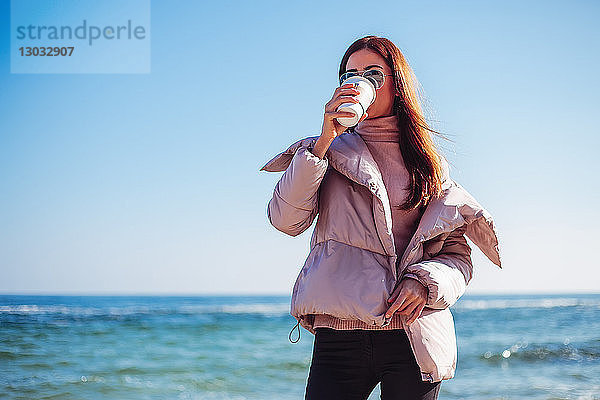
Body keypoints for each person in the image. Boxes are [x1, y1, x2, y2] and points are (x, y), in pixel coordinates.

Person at [260, 35, 502, 400]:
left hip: (414, 334)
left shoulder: (431, 165)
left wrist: (424, 282)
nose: (359, 82)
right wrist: (324, 142)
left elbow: (456, 256)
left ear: (396, 82)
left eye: (373, 73)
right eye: (350, 74)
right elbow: (284, 220)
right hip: (339, 336)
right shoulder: (323, 152)